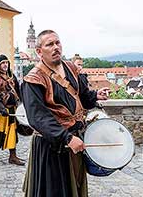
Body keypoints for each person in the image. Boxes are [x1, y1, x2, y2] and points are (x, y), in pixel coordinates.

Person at [21, 30, 109, 197]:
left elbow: (82, 95)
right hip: (51, 146)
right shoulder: (33, 78)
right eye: (49, 44)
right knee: (54, 191)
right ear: (39, 51)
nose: (56, 47)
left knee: (73, 187)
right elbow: (38, 117)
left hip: (74, 138)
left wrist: (96, 95)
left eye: (57, 43)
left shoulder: (70, 67)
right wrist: (66, 138)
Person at [0, 54, 25, 166]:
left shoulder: (12, 76)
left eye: (6, 63)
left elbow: (18, 90)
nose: (5, 65)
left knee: (12, 131)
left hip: (11, 109)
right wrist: (0, 107)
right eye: (3, 63)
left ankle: (12, 156)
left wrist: (22, 104)